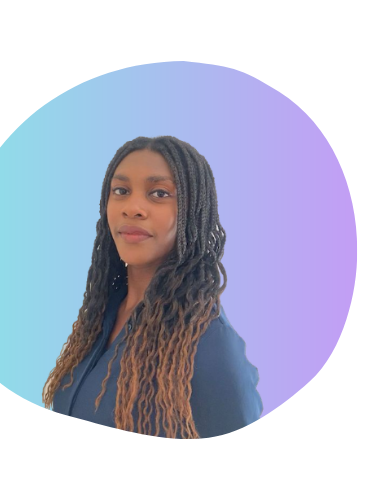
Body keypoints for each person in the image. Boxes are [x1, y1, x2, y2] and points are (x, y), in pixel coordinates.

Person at [43, 136, 263, 439]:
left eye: (159, 193)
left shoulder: (210, 344)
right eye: (121, 191)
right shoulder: (100, 317)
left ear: (192, 212)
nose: (132, 208)